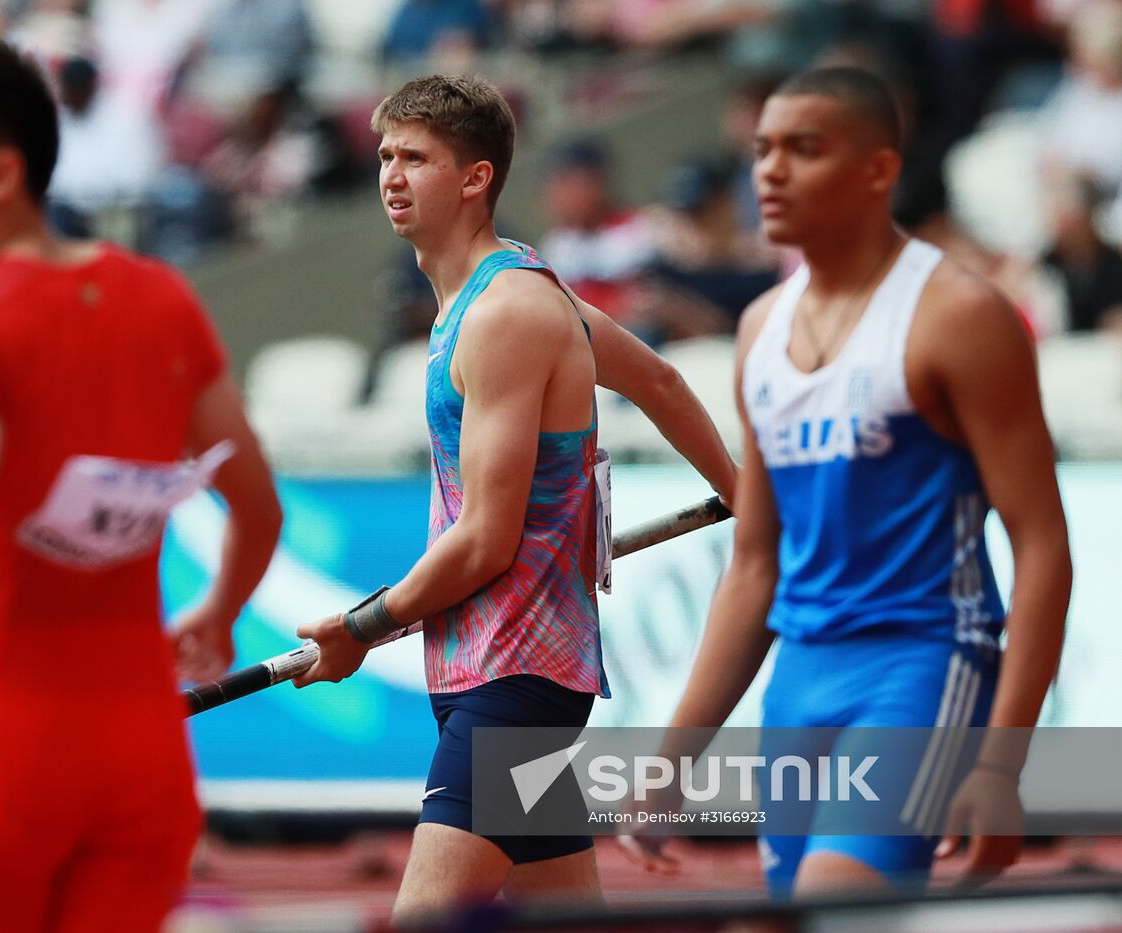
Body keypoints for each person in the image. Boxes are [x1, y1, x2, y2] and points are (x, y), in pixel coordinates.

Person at [0, 38, 282, 932]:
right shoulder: (161, 298)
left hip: (0, 757)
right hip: (146, 756)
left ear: (0, 174)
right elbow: (256, 505)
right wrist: (219, 611)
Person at [292, 75, 739, 918]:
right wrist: (742, 492)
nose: (391, 174)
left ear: (476, 178)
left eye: (416, 158)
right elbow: (660, 378)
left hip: (517, 677)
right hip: (486, 667)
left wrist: (360, 627)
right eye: (386, 155)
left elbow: (487, 539)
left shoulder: (509, 312)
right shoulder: (496, 296)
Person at [618, 66, 1071, 895]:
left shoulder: (958, 314)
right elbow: (756, 564)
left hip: (923, 661)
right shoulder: (760, 328)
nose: (770, 172)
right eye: (761, 150)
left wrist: (1004, 763)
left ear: (877, 171)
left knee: (833, 901)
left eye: (805, 148)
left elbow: (1042, 543)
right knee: (805, 912)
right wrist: (673, 755)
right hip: (800, 677)